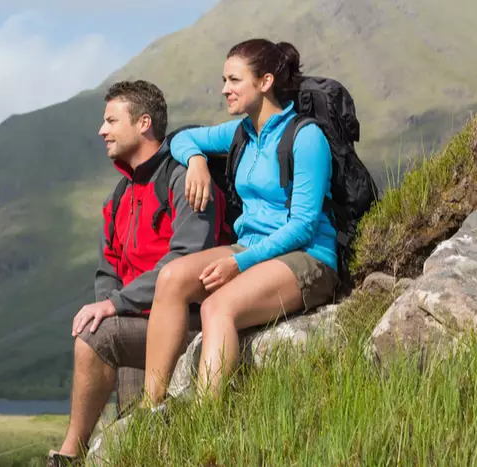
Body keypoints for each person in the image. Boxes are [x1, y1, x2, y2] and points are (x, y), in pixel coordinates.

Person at [141, 39, 341, 406]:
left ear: (265, 82)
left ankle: (206, 423)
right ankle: (150, 406)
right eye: (224, 80)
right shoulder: (241, 134)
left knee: (217, 307)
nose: (224, 89)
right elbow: (181, 139)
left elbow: (303, 225)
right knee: (170, 278)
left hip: (306, 256)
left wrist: (239, 264)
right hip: (250, 248)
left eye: (234, 80)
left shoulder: (306, 137)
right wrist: (198, 162)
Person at [47, 80, 226, 465]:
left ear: (143, 123)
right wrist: (112, 303)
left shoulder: (185, 178)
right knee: (136, 434)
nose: (102, 130)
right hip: (139, 322)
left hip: (187, 320)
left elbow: (186, 258)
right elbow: (107, 268)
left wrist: (114, 307)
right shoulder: (120, 195)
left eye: (111, 120)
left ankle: (69, 455)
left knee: (96, 336)